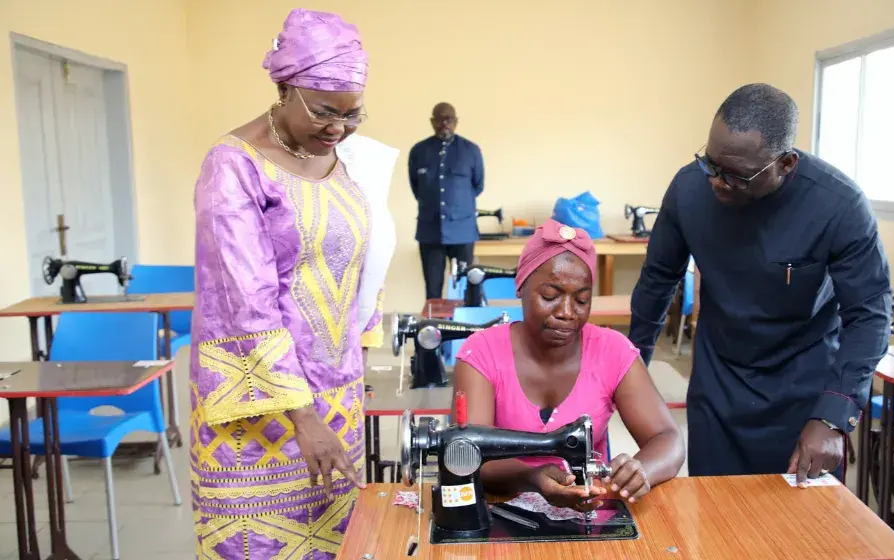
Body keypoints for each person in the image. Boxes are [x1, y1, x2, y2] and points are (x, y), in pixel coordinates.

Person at [188, 9, 398, 558]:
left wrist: (358, 356)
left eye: (354, 115)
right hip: (262, 416)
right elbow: (242, 303)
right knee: (261, 545)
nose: (339, 128)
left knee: (338, 540)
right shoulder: (234, 166)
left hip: (338, 398)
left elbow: (355, 263)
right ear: (283, 88)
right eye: (325, 111)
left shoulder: (345, 159)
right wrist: (302, 416)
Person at [628, 83, 892, 485]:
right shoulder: (688, 189)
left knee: (799, 533)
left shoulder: (839, 207)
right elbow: (657, 282)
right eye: (711, 165)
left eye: (735, 175)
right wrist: (632, 367)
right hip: (719, 382)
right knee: (717, 519)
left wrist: (833, 413)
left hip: (804, 386)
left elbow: (869, 315)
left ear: (785, 163)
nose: (717, 181)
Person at [454, 219, 685, 510]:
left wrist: (641, 471)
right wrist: (530, 477)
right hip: (500, 512)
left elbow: (668, 439)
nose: (566, 313)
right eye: (550, 296)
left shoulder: (611, 351)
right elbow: (468, 453)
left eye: (582, 300)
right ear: (521, 286)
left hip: (590, 512)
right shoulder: (482, 353)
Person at [408, 102, 485, 300]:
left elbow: (478, 186)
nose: (444, 124)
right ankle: (434, 328)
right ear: (432, 122)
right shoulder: (418, 151)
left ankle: (468, 330)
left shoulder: (471, 151)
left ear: (456, 122)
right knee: (433, 291)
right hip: (430, 232)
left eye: (449, 119)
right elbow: (417, 188)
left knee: (466, 289)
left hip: (463, 231)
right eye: (439, 119)